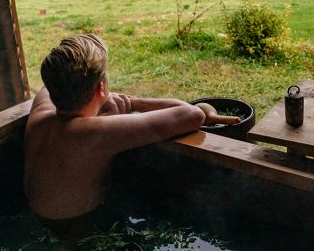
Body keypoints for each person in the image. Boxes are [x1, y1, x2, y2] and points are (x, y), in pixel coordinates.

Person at [23, 34, 205, 248]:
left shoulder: (39, 116)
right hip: (81, 233)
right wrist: (132, 101)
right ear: (101, 89)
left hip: (37, 226)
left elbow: (54, 84)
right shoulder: (96, 133)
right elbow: (193, 114)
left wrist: (96, 94)